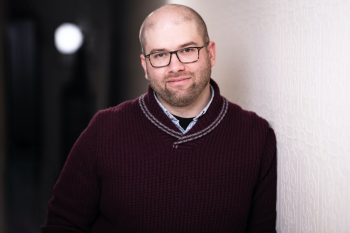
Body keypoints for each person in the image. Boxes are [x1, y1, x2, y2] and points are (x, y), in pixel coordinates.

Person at [41, 4, 277, 233]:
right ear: (145, 65)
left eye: (187, 50)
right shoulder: (105, 130)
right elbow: (62, 225)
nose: (175, 67)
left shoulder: (256, 136)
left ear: (211, 53)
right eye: (160, 54)